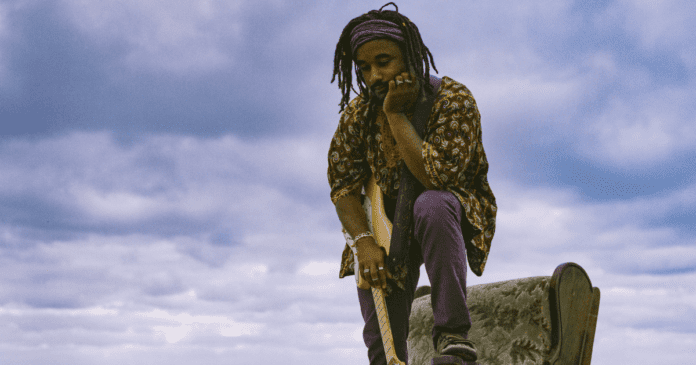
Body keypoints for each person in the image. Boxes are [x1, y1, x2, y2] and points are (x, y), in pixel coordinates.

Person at [327, 3, 497, 364]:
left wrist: (395, 114)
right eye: (364, 67)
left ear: (411, 57)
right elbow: (342, 187)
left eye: (384, 61)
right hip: (383, 232)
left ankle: (452, 337)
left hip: (444, 219)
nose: (373, 76)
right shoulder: (357, 115)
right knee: (382, 348)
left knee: (432, 204)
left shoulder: (453, 101)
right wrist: (364, 243)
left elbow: (437, 178)